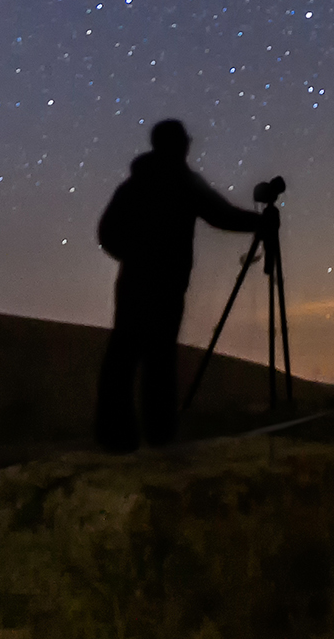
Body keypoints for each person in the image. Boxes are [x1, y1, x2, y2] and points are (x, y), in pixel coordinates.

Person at [93, 118, 279, 452]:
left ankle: (116, 438)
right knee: (157, 360)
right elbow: (220, 214)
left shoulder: (134, 185)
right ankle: (158, 435)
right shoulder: (183, 182)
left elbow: (107, 233)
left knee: (124, 357)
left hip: (135, 283)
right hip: (165, 284)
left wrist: (133, 256)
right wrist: (259, 223)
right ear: (179, 144)